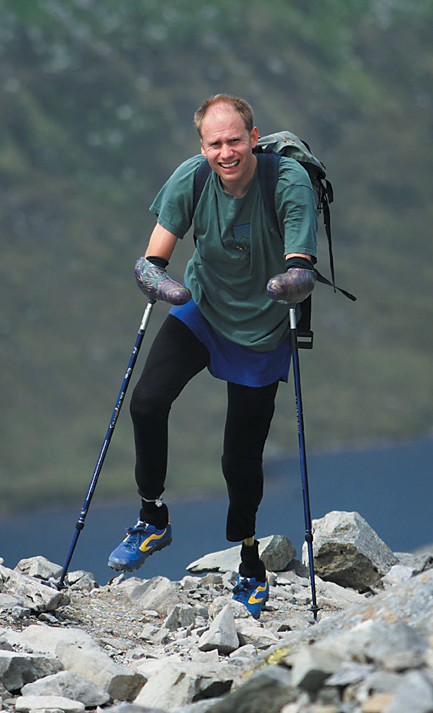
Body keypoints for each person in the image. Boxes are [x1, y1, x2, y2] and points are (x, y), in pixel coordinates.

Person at [108, 94, 317, 619]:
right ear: (202, 146)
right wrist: (155, 277)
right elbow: (155, 254)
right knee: (147, 403)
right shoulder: (192, 178)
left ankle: (249, 558)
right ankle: (152, 519)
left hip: (263, 328)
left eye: (235, 140)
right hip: (201, 308)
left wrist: (294, 279)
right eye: (215, 143)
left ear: (253, 136)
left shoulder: (286, 181)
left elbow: (301, 259)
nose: (226, 152)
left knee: (239, 458)